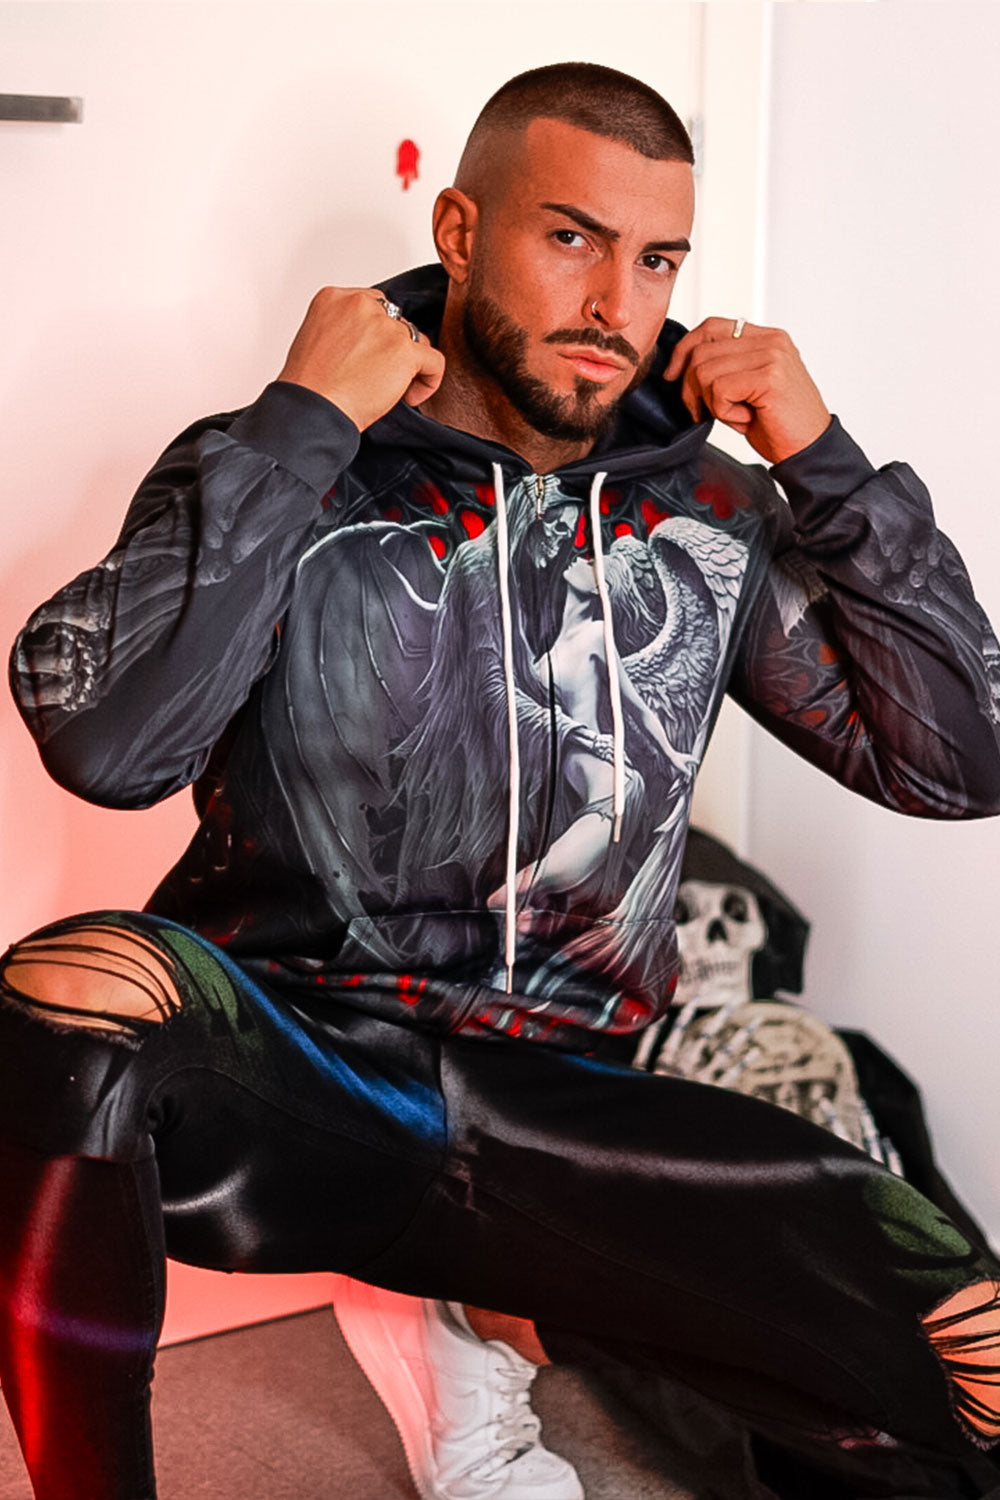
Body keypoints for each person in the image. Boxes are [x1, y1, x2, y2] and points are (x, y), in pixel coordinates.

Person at [3, 59, 1000, 1500]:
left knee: (969, 1353)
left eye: (657, 259)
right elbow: (109, 746)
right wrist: (299, 421)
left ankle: (489, 1317)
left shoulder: (710, 512)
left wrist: (828, 463)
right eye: (572, 237)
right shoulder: (289, 463)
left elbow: (960, 760)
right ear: (461, 232)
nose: (617, 303)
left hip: (566, 1109)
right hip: (303, 1079)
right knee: (75, 990)